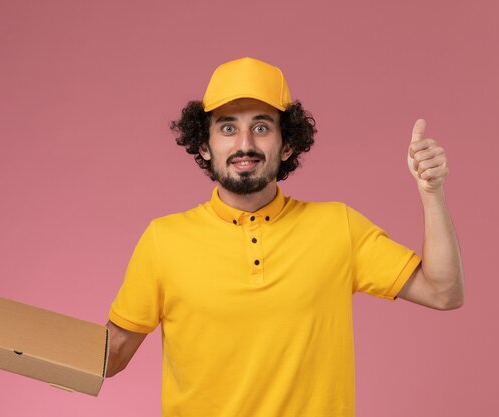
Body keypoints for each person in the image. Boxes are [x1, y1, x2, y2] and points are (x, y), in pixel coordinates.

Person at [104, 57, 464, 416]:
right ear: (204, 145)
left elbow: (443, 291)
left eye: (261, 128)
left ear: (287, 145)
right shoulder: (164, 240)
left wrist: (431, 193)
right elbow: (111, 356)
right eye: (227, 129)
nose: (245, 144)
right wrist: (47, 343)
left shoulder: (338, 227)